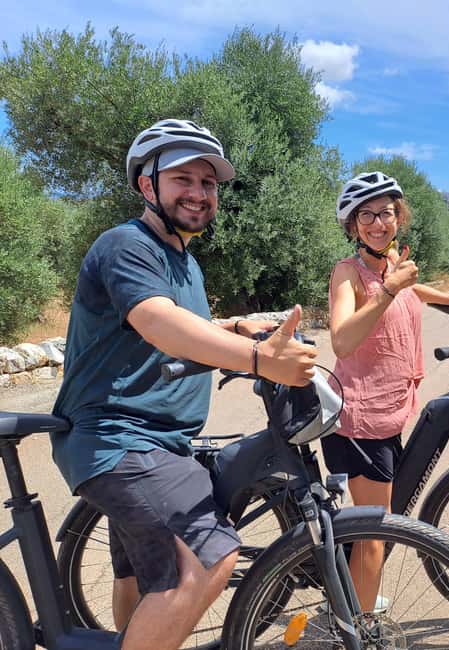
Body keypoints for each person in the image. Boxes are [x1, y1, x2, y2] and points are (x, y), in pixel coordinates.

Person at [51, 118, 318, 650]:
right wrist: (260, 359)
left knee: (145, 579)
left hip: (154, 443)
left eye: (208, 183)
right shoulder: (125, 245)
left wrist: (236, 327)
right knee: (205, 559)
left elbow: (178, 321)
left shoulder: (182, 262)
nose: (198, 193)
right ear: (147, 185)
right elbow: (158, 322)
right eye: (183, 179)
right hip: (120, 440)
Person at [323, 171, 449, 611]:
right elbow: (341, 339)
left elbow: (410, 288)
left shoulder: (392, 264)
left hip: (389, 413)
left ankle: (354, 598)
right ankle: (356, 627)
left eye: (387, 213)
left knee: (374, 524)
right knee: (375, 532)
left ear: (400, 218)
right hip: (360, 421)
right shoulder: (348, 273)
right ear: (352, 225)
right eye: (367, 215)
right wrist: (389, 289)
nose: (378, 223)